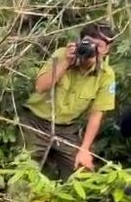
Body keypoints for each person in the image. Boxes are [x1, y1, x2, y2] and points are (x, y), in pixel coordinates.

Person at [21, 22, 117, 180]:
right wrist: (66, 62)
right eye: (88, 43)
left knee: (81, 172)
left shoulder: (106, 75)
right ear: (79, 42)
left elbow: (96, 114)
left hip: (67, 129)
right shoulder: (62, 54)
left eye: (98, 46)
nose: (92, 49)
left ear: (106, 50)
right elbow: (40, 86)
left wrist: (84, 149)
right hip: (36, 122)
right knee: (24, 170)